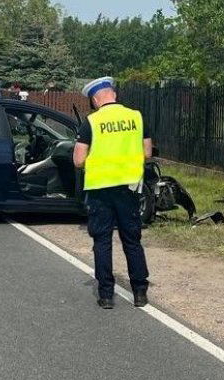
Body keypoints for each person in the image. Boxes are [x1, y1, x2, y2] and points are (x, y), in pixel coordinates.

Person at [73, 77, 152, 309]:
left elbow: (78, 160)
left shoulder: (92, 122)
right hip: (129, 188)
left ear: (96, 99)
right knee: (132, 239)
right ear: (114, 94)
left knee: (102, 240)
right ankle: (140, 292)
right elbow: (147, 153)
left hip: (100, 189)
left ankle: (106, 294)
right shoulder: (136, 117)